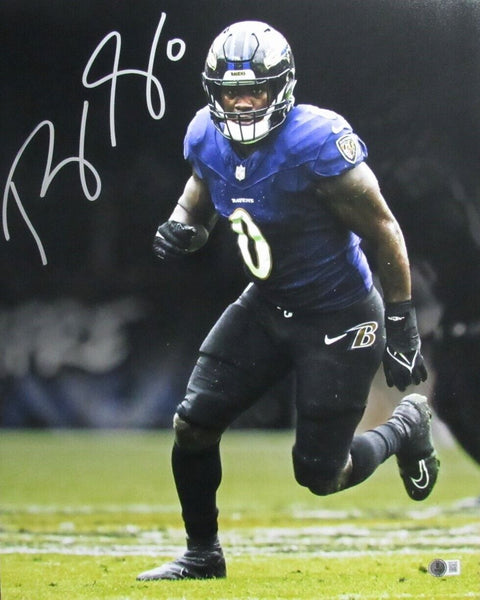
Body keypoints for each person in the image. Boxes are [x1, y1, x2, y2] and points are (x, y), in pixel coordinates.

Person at [137, 21, 438, 581]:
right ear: (213, 93)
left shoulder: (315, 143)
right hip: (267, 303)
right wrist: (180, 229)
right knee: (193, 424)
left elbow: (384, 230)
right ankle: (202, 554)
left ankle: (404, 426)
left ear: (282, 87)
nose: (242, 103)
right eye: (231, 92)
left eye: (255, 90)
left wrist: (402, 323)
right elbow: (197, 204)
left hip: (339, 315)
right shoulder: (205, 136)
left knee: (322, 475)